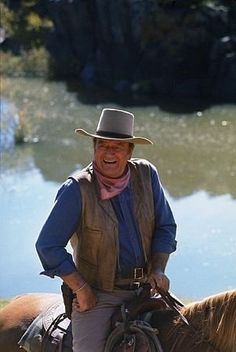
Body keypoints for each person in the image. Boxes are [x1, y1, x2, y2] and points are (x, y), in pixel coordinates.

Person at [36, 108, 177, 352]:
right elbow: (47, 246)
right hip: (99, 296)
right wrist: (81, 289)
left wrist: (158, 269)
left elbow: (166, 227)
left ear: (130, 151)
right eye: (103, 145)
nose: (109, 152)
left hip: (145, 290)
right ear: (94, 147)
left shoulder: (146, 174)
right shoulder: (76, 189)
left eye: (117, 147)